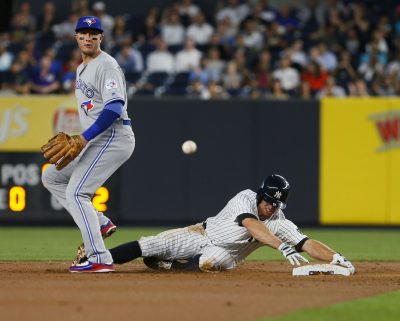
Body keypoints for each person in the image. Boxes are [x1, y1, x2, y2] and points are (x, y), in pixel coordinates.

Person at [78, 174, 355, 273]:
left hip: (227, 254)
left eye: (276, 203)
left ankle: (170, 266)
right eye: (268, 199)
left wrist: (336, 257)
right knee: (149, 244)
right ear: (261, 194)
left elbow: (306, 243)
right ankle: (97, 257)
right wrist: (283, 247)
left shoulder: (279, 221)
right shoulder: (245, 199)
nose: (270, 205)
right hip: (202, 232)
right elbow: (251, 225)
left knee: (208, 263)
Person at [41, 16, 135, 273]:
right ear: (76, 37)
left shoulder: (107, 65)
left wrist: (84, 138)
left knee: (76, 193)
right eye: (83, 33)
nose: (88, 37)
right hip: (99, 139)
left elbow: (115, 107)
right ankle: (100, 222)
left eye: (94, 33)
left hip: (113, 137)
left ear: (101, 38)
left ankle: (99, 258)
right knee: (51, 177)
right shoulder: (82, 68)